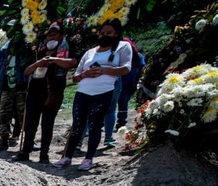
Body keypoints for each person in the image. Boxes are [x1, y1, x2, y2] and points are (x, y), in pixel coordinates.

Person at [53, 18, 132, 171]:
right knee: (77, 125)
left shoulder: (123, 47)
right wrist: (86, 74)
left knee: (95, 125)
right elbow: (75, 77)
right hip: (83, 92)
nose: (104, 35)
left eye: (108, 33)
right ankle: (67, 157)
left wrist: (104, 70)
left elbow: (126, 68)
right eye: (102, 33)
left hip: (103, 91)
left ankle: (88, 158)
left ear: (116, 34)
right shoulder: (90, 52)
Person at [13, 22, 77, 164]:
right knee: (30, 123)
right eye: (49, 35)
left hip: (52, 94)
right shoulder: (38, 51)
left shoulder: (65, 51)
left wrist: (54, 60)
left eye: (55, 34)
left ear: (61, 37)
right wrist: (38, 63)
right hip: (34, 91)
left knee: (47, 124)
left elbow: (72, 63)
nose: (51, 37)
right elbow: (26, 71)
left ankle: (44, 154)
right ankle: (25, 151)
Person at [0, 21, 34, 150]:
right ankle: (4, 140)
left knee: (23, 115)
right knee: (3, 114)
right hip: (6, 87)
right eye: (9, 30)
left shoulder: (26, 49)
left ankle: (28, 141)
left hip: (21, 87)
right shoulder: (3, 51)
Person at [116, 39, 145, 129]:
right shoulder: (138, 56)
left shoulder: (121, 55)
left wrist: (137, 80)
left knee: (116, 103)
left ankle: (118, 122)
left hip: (125, 83)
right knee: (123, 102)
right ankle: (121, 122)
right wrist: (136, 80)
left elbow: (141, 69)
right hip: (129, 82)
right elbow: (141, 69)